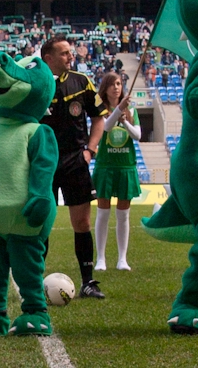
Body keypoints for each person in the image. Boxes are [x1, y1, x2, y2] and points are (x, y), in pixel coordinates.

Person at [40, 35, 106, 298]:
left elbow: (98, 118)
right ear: (49, 59)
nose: (71, 56)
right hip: (44, 163)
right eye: (65, 53)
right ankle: (34, 280)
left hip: (75, 161)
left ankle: (88, 282)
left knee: (81, 222)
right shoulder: (37, 85)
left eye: (70, 52)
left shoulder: (81, 82)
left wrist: (90, 150)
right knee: (41, 223)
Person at [92, 73, 141, 272]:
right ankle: (101, 258)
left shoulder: (132, 110)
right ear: (105, 88)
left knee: (123, 214)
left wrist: (126, 120)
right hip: (105, 165)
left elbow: (137, 136)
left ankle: (122, 258)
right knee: (103, 213)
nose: (116, 87)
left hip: (125, 166)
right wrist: (118, 111)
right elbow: (105, 127)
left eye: (119, 83)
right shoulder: (100, 108)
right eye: (112, 84)